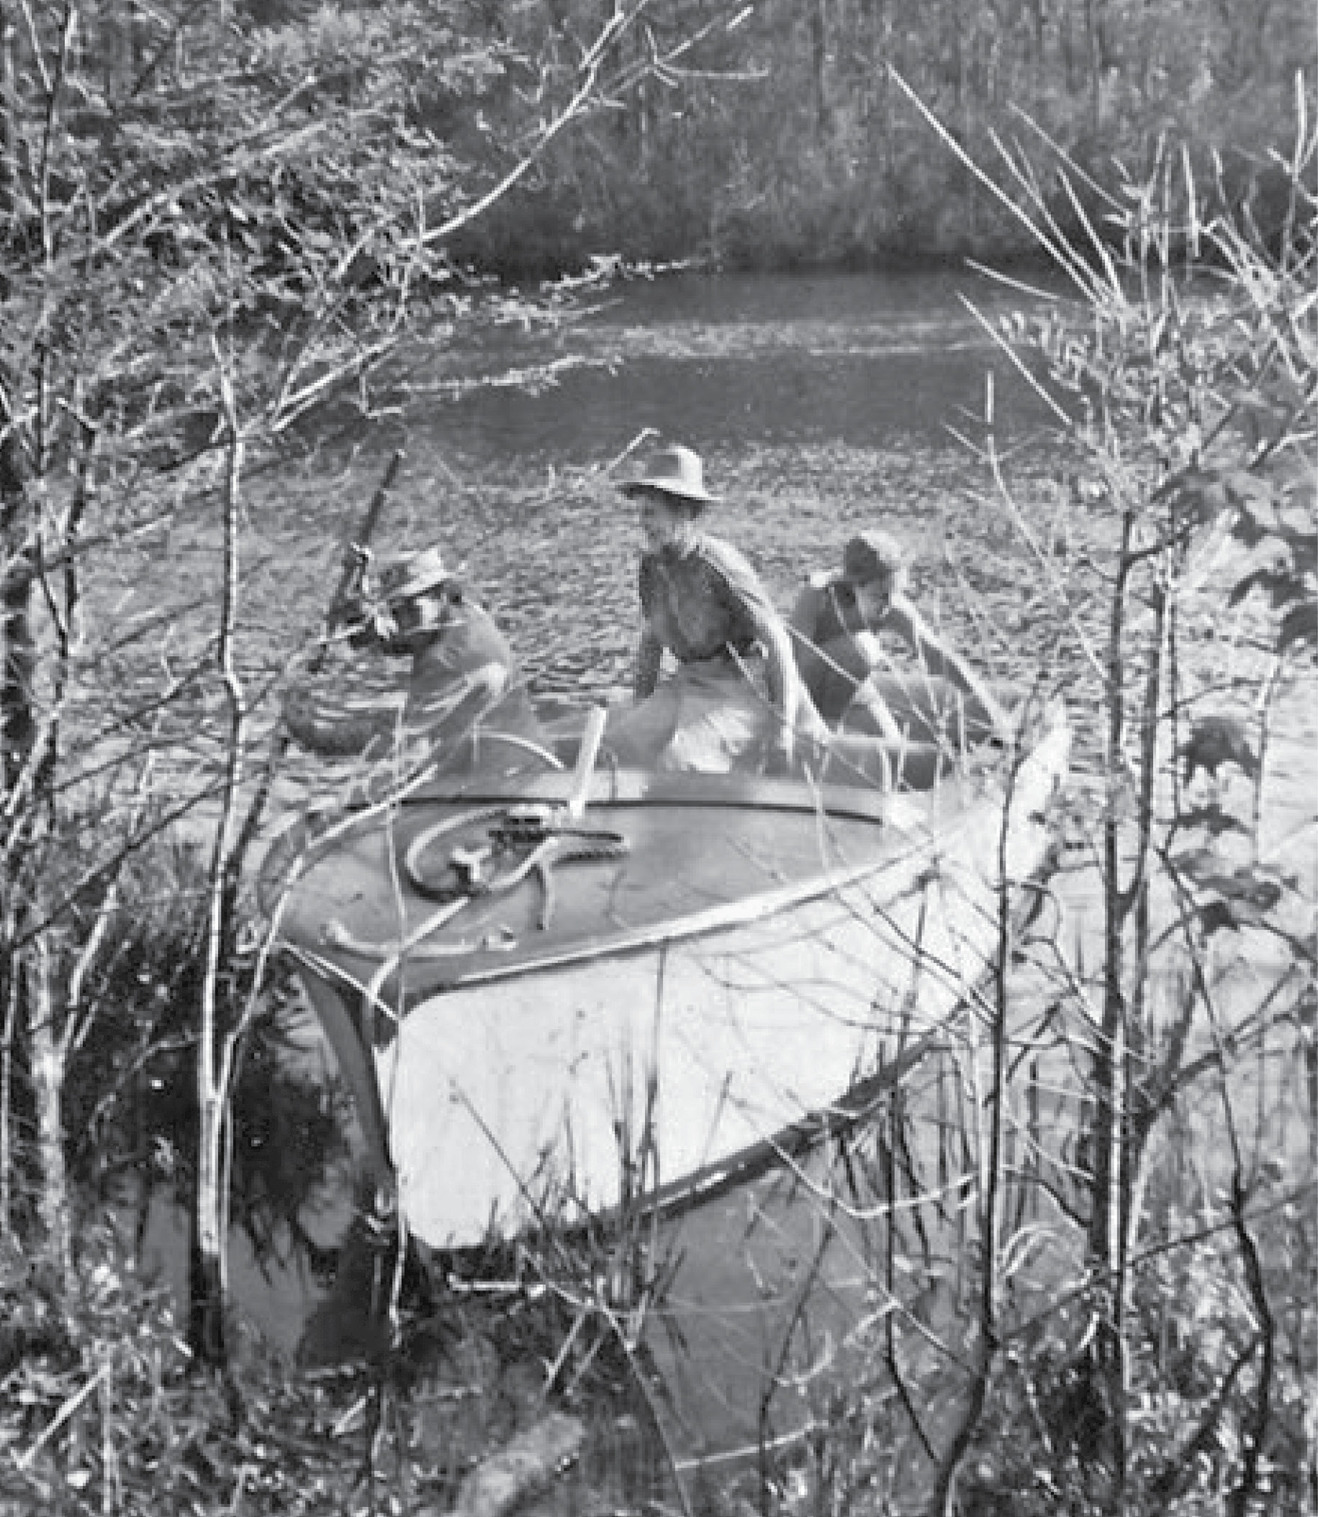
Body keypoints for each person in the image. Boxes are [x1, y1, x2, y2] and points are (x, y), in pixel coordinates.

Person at [606, 444, 824, 774]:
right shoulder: (652, 566)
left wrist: (785, 728)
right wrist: (640, 707)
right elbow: (651, 642)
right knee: (617, 749)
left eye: (651, 512)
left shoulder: (719, 564)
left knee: (679, 763)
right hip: (691, 681)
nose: (642, 522)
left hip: (744, 686)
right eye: (641, 511)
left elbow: (777, 641)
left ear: (683, 512)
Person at [282, 545, 549, 779]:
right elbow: (400, 638)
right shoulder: (459, 613)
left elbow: (394, 738)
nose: (401, 620)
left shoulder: (453, 659)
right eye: (395, 609)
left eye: (411, 607)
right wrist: (359, 615)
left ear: (441, 594)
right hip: (470, 762)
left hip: (503, 777)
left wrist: (313, 737)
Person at [789, 529, 1013, 749]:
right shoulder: (817, 596)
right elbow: (793, 663)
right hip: (800, 689)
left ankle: (837, 732)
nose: (887, 605)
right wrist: (806, 722)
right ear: (854, 586)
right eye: (879, 596)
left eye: (893, 593)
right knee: (863, 647)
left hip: (849, 686)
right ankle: (827, 733)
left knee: (894, 749)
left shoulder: (892, 607)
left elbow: (937, 656)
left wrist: (993, 715)